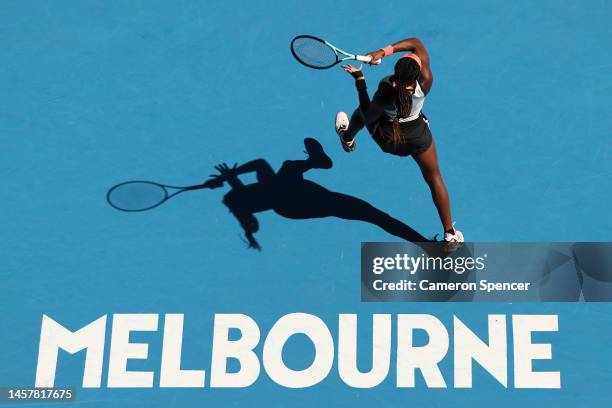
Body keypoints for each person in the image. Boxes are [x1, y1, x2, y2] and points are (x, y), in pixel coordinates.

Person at [335, 37, 464, 243]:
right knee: (434, 178)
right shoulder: (426, 80)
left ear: (396, 73)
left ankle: (347, 138)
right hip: (418, 137)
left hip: (389, 140)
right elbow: (415, 43)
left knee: (360, 113)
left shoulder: (386, 89)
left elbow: (369, 115)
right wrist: (383, 52)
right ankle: (450, 234)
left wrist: (360, 81)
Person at [208, 138, 428, 249]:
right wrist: (228, 175)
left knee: (372, 215)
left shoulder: (242, 202)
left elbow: (249, 219)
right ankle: (314, 161)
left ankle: (315, 161)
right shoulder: (252, 191)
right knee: (373, 215)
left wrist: (228, 177)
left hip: (288, 202)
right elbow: (257, 165)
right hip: (293, 199)